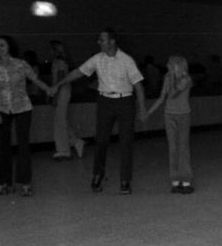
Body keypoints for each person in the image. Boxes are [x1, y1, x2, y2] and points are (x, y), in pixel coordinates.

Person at [54, 28, 146, 194]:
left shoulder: (126, 60)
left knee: (126, 142)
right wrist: (58, 84)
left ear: (112, 41)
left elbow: (138, 85)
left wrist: (142, 109)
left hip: (125, 101)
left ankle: (125, 180)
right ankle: (97, 175)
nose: (99, 42)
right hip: (104, 102)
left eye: (102, 40)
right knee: (101, 141)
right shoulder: (97, 59)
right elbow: (78, 72)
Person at [0, 35, 52, 196]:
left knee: (23, 145)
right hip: (2, 108)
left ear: (10, 47)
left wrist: (49, 89)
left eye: (2, 45)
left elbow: (35, 80)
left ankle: (25, 183)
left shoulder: (21, 65)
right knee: (2, 147)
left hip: (22, 107)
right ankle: (3, 182)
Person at [144, 54, 194, 193]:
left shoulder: (186, 79)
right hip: (169, 115)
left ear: (176, 66)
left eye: (169, 64)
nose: (166, 66)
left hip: (184, 115)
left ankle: (186, 180)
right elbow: (162, 97)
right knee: (173, 147)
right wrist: (149, 112)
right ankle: (175, 179)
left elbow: (174, 94)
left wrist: (172, 78)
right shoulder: (167, 77)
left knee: (183, 147)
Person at [47, 40, 85, 160]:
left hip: (61, 91)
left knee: (60, 120)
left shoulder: (60, 62)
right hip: (61, 90)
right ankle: (76, 141)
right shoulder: (59, 61)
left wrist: (55, 95)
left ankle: (64, 149)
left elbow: (60, 78)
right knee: (61, 119)